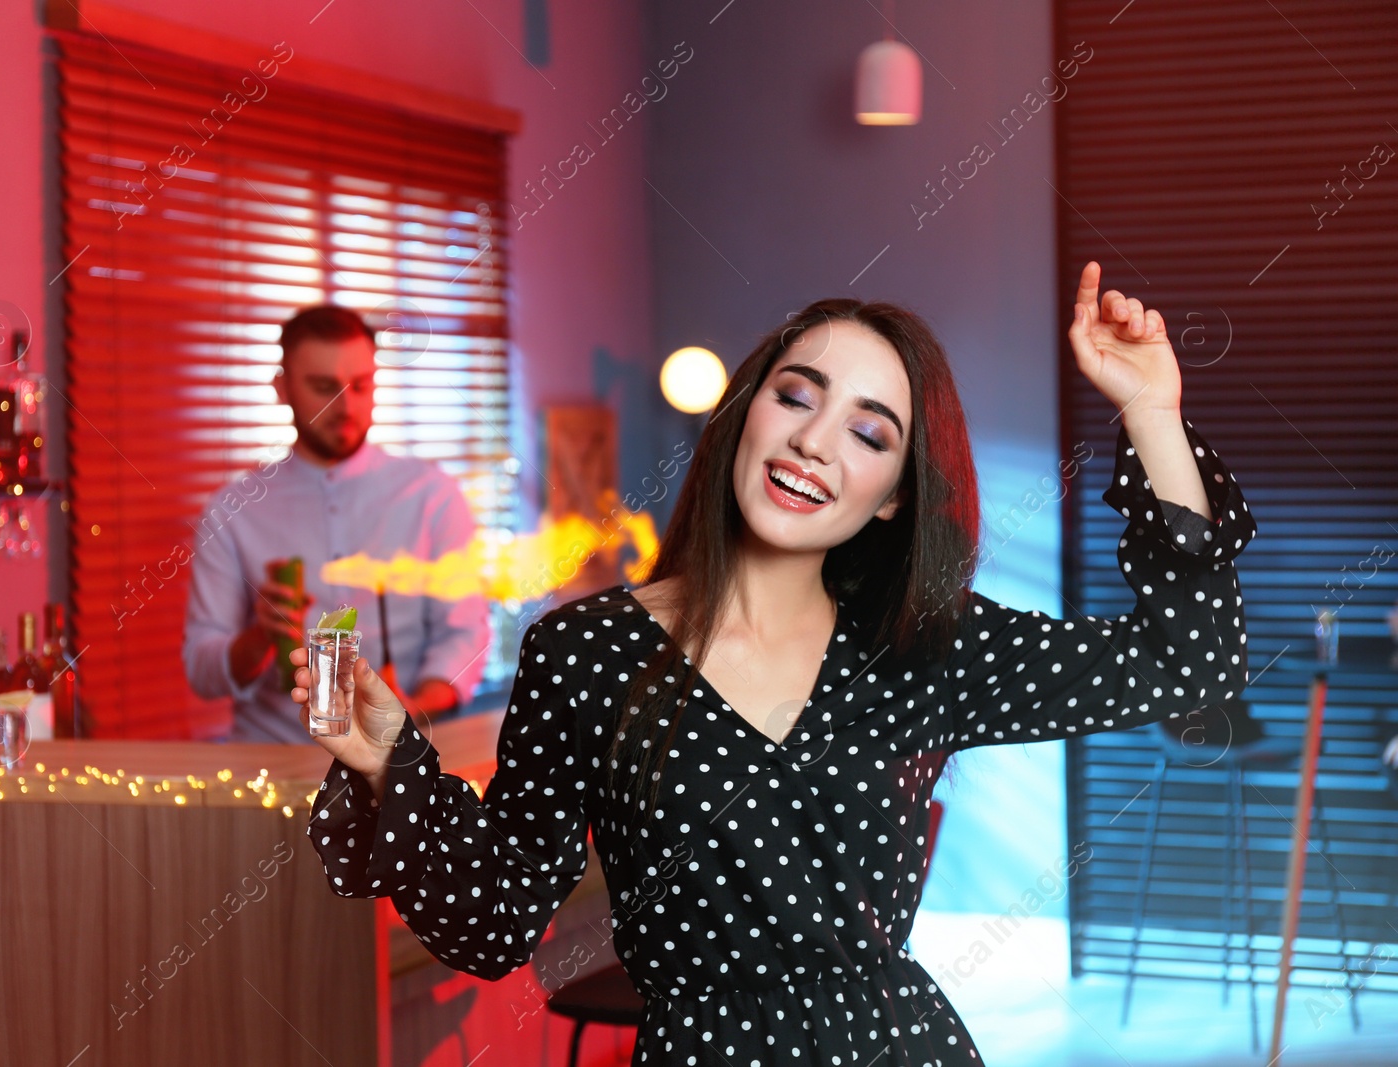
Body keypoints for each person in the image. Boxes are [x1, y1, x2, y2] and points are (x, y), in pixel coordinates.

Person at [290, 263, 1258, 1064]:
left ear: (889, 496)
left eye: (868, 431)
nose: (813, 439)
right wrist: (388, 760)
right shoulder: (584, 652)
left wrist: (1151, 409)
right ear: (745, 414)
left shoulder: (920, 644)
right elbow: (493, 921)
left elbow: (1192, 660)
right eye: (796, 395)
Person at [183, 304, 490, 743]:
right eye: (324, 387)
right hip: (276, 767)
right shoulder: (233, 510)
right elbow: (201, 669)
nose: (346, 406)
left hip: (403, 763)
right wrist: (259, 638)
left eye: (360, 386)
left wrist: (414, 707)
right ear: (281, 387)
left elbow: (465, 633)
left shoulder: (432, 495)